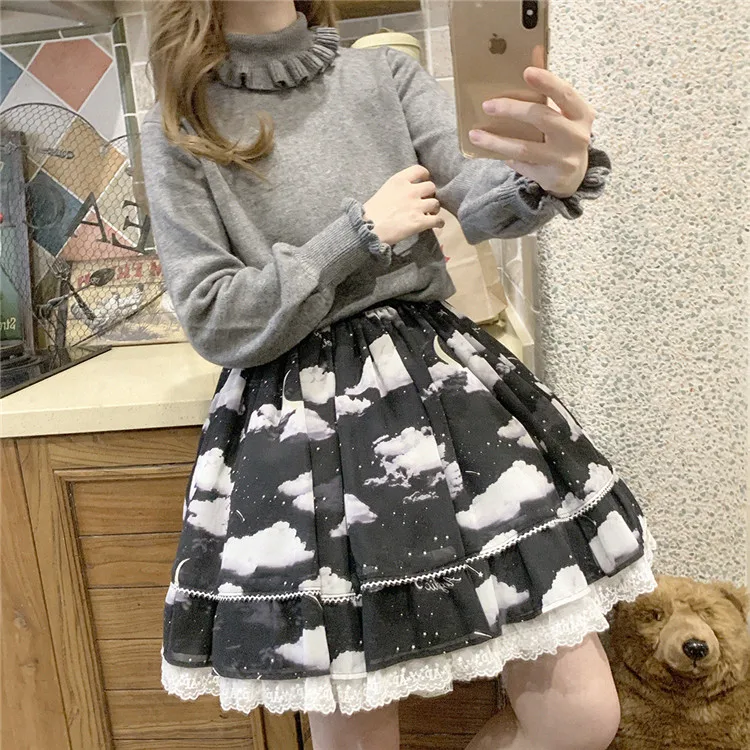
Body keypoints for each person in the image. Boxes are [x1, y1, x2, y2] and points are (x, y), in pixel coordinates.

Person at [141, 2, 656, 748]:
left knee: (580, 716)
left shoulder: (382, 73)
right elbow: (214, 317)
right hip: (298, 430)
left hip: (442, 389)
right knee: (356, 729)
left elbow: (475, 195)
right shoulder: (181, 123)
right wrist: (355, 235)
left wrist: (546, 178)